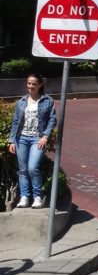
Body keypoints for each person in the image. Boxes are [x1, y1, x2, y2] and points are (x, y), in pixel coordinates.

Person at [6, 74, 57, 209]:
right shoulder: (21, 101)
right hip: (21, 138)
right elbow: (15, 122)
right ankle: (24, 197)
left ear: (40, 85)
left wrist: (45, 136)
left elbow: (52, 120)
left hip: (37, 139)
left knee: (32, 167)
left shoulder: (47, 100)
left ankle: (37, 197)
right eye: (29, 83)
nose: (30, 86)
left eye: (33, 84)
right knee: (22, 170)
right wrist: (11, 140)